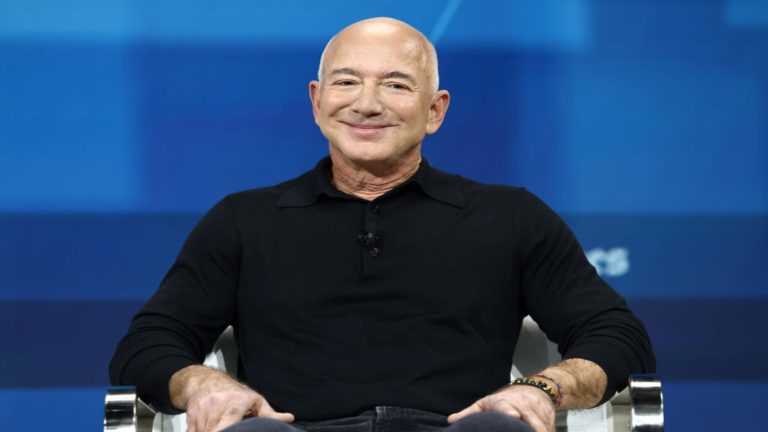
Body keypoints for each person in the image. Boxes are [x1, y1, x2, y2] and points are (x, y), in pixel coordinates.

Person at [110, 17, 655, 432]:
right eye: (346, 82)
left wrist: (541, 388)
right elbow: (148, 343)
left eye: (396, 85)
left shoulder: (510, 215)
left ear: (435, 110)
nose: (366, 104)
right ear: (317, 102)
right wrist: (205, 384)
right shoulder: (242, 220)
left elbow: (617, 336)